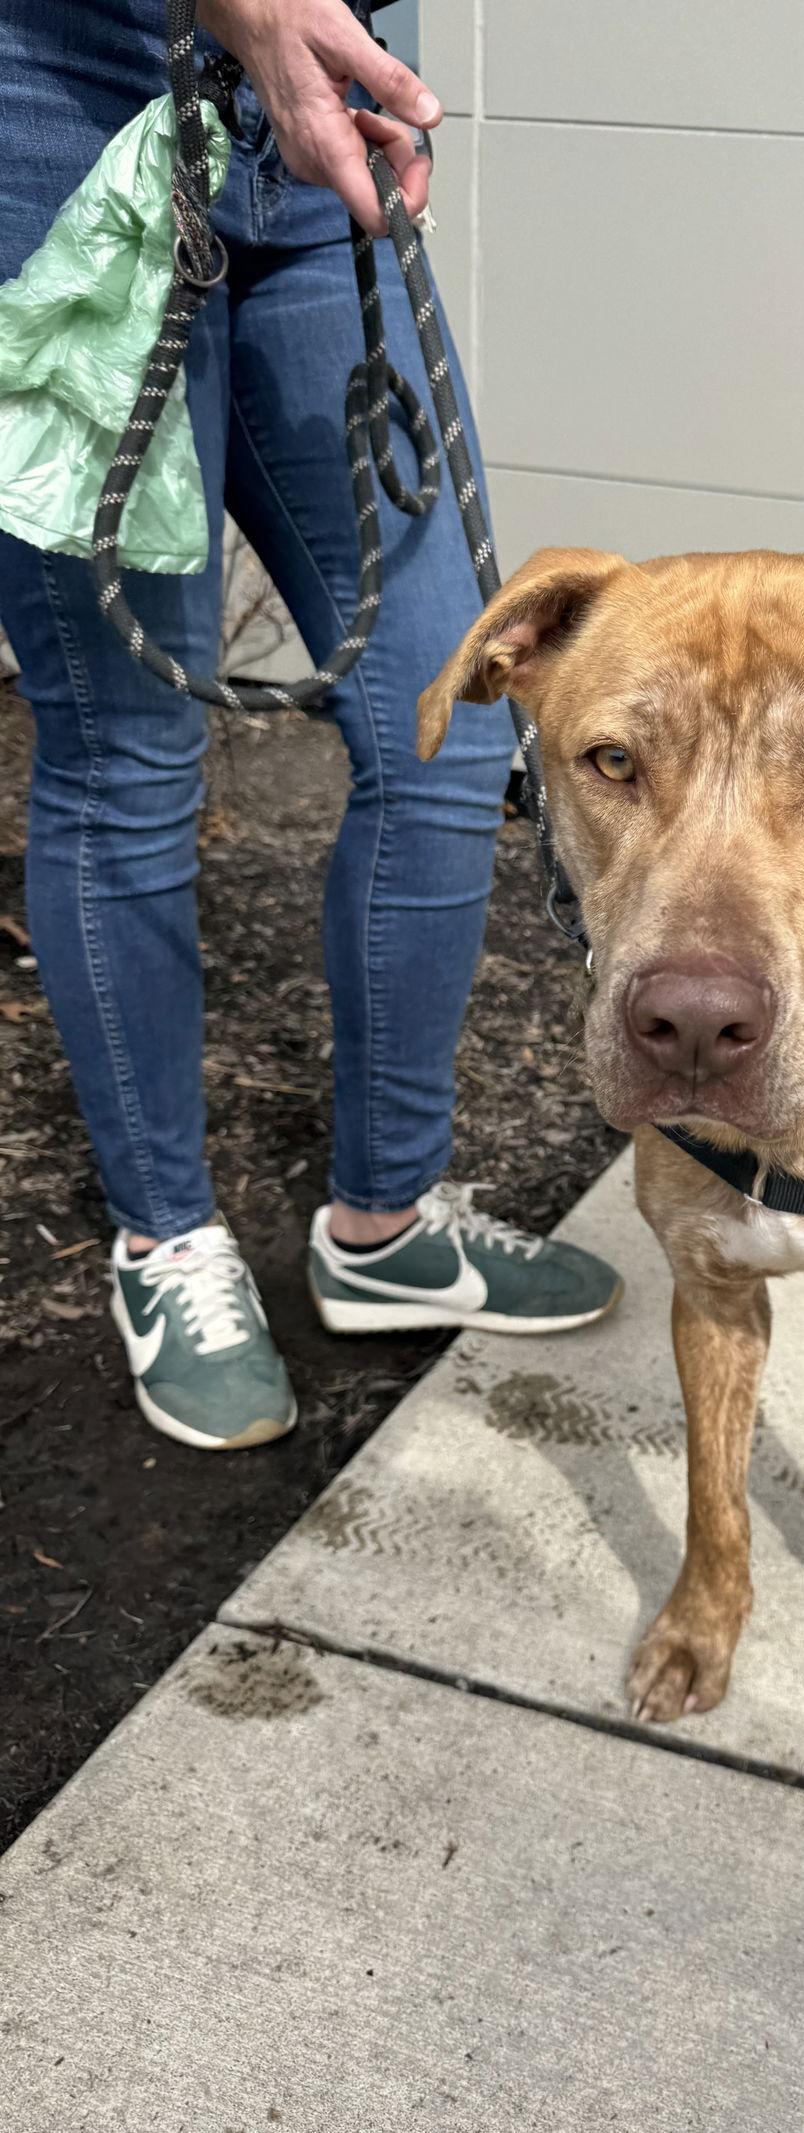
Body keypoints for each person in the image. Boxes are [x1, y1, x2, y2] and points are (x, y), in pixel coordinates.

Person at [0, 0, 621, 1454]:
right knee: (131, 747)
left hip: (307, 120)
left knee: (448, 717)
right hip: (64, 103)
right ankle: (166, 1241)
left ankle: (386, 1223)